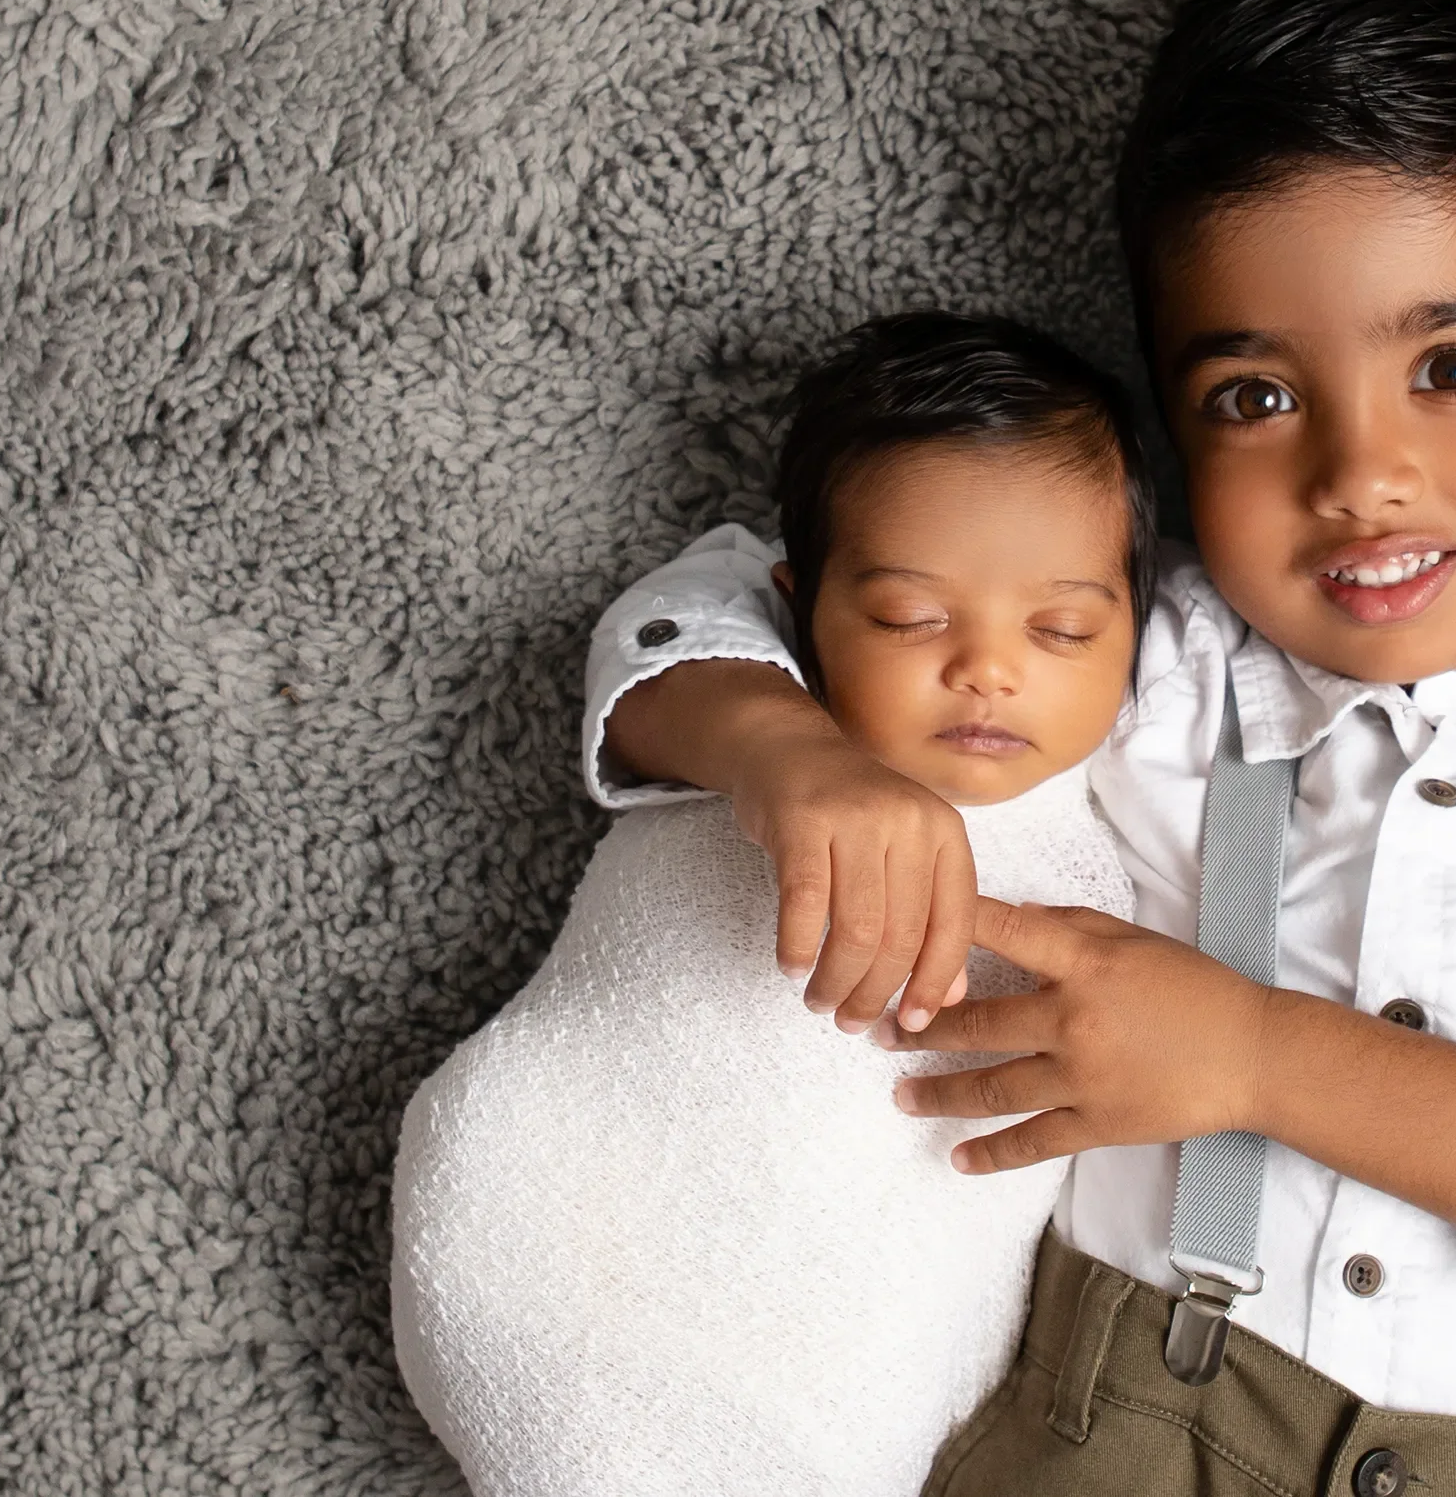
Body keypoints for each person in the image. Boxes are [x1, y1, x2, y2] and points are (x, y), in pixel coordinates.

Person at [587, 0, 1456, 1496]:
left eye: (1454, 365)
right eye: (1255, 396)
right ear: (1176, 434)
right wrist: (793, 753)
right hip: (1122, 1435)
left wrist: (1250, 1055)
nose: (1360, 472)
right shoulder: (1135, 661)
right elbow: (712, 602)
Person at [389, 313, 1153, 1496]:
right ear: (802, 602)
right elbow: (654, 655)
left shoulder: (1145, 783)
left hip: (860, 1309)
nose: (990, 668)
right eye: (909, 617)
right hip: (584, 1188)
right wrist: (787, 753)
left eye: (1061, 628)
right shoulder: (753, 669)